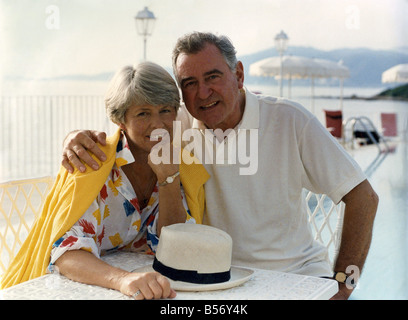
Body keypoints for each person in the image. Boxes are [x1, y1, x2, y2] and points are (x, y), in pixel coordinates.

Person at [58, 32, 378, 300]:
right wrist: (73, 138)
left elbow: (363, 197)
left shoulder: (290, 120)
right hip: (213, 280)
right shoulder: (174, 127)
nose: (203, 92)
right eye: (190, 82)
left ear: (238, 75)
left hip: (296, 276)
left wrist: (343, 285)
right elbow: (130, 124)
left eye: (213, 77)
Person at [0, 62, 210, 300]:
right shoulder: (93, 164)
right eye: (143, 113)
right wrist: (123, 280)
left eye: (165, 110)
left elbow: (174, 244)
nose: (158, 124)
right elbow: (66, 254)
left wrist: (168, 179)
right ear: (120, 120)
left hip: (148, 288)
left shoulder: (182, 163)